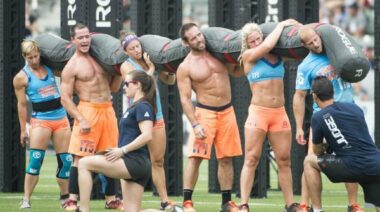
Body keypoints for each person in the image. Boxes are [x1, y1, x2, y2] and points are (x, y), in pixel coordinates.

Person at [293, 26, 362, 212]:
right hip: (322, 118)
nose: (316, 44)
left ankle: (353, 205)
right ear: (303, 45)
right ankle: (306, 205)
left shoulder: (338, 52)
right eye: (310, 43)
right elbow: (299, 96)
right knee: (311, 160)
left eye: (316, 39)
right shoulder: (305, 66)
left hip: (348, 114)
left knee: (352, 159)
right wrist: (299, 127)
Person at [177, 23, 244, 212]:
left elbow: (237, 72)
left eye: (199, 35)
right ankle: (187, 202)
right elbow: (184, 99)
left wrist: (248, 58)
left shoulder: (218, 54)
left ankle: (226, 202)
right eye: (194, 38)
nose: (199, 39)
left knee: (226, 158)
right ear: (186, 43)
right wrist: (195, 124)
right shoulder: (185, 67)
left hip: (227, 111)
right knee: (196, 157)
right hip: (205, 113)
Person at [237, 19, 301, 212]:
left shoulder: (278, 56)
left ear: (262, 36)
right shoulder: (248, 56)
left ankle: (290, 204)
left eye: (258, 39)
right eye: (252, 41)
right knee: (251, 159)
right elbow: (266, 45)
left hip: (279, 113)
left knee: (284, 160)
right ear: (247, 44)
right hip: (258, 112)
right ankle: (244, 204)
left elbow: (298, 49)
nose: (256, 43)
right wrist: (280, 26)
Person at [60, 23, 123, 211]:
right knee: (80, 158)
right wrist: (81, 118)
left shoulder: (101, 58)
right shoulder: (71, 66)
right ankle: (72, 200)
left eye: (87, 36)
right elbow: (65, 98)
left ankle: (111, 199)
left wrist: (119, 71)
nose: (85, 40)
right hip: (87, 111)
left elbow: (113, 88)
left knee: (110, 155)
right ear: (73, 40)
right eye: (80, 37)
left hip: (108, 110)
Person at [77, 71, 156, 212]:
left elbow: (147, 135)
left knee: (83, 163)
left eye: (127, 83)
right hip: (135, 162)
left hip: (134, 161)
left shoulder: (143, 106)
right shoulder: (135, 106)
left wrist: (122, 150)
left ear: (137, 85)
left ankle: (83, 209)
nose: (124, 87)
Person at [304, 76, 380, 212]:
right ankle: (353, 205)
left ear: (314, 96)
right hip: (376, 164)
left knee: (309, 161)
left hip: (351, 167)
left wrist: (326, 146)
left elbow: (316, 151)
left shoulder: (318, 117)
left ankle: (317, 210)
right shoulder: (355, 108)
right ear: (332, 92)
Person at [119, 33, 176, 210]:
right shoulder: (126, 65)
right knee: (128, 160)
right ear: (126, 51)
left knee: (158, 161)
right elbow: (140, 85)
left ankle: (165, 200)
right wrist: (151, 70)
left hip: (155, 116)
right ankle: (126, 200)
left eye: (137, 46)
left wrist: (166, 67)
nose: (136, 50)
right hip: (135, 119)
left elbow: (171, 80)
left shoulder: (150, 60)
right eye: (132, 48)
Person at [14, 40, 72, 209]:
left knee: (65, 161)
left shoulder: (49, 67)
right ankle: (26, 199)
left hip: (61, 118)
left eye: (36, 56)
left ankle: (65, 197)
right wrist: (23, 130)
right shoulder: (21, 77)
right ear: (24, 57)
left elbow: (67, 73)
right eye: (30, 57)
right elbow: (22, 105)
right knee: (35, 161)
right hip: (41, 120)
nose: (34, 60)